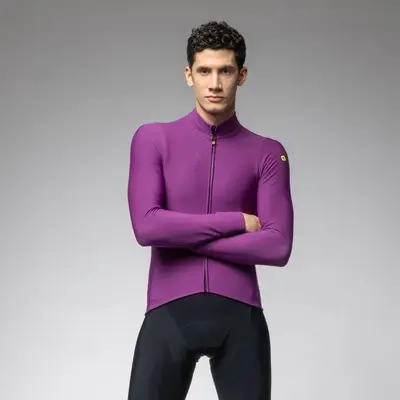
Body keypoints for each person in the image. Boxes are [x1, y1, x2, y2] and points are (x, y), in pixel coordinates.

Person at [126, 20, 294, 400]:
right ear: (189, 75)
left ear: (242, 76)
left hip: (241, 319)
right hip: (169, 315)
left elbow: (277, 246)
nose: (214, 83)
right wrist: (235, 222)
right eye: (204, 71)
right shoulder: (153, 139)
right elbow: (147, 227)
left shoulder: (267, 153)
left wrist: (180, 237)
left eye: (225, 71)